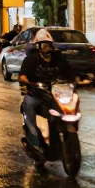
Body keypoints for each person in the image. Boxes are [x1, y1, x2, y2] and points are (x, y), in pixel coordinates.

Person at [17, 29, 70, 166]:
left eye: (48, 44)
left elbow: (68, 70)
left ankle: (63, 139)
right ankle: (34, 143)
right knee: (28, 105)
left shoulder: (58, 58)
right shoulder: (31, 60)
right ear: (38, 47)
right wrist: (28, 82)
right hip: (36, 94)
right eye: (43, 44)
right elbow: (22, 76)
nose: (47, 47)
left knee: (66, 110)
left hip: (55, 94)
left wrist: (77, 78)